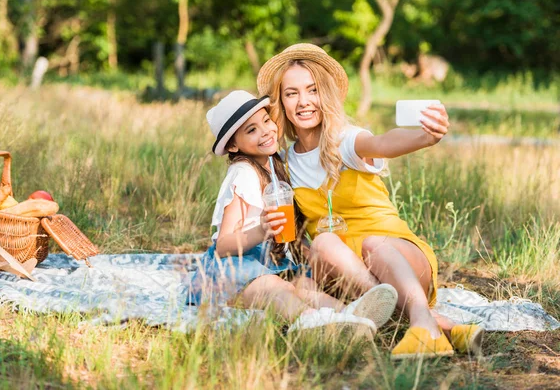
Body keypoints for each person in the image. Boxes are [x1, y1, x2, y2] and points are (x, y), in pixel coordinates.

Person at [257, 44, 484, 358]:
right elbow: (296, 237)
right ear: (280, 101)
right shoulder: (283, 163)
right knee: (319, 249)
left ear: (326, 94)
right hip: (345, 273)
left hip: (399, 257)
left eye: (312, 90)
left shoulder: (345, 139)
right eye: (292, 93)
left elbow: (382, 143)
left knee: (374, 243)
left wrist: (425, 137)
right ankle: (435, 326)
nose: (304, 101)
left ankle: (421, 321)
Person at [187, 90, 396, 337]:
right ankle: (311, 322)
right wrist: (261, 230)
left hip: (269, 264)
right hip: (233, 272)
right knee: (274, 287)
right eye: (251, 130)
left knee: (304, 285)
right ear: (233, 145)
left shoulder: (274, 164)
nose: (265, 131)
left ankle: (351, 315)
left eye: (266, 121)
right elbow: (222, 245)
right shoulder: (243, 173)